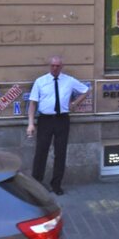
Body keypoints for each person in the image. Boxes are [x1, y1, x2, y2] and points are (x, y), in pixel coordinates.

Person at [26, 55, 90, 195]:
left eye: (57, 66)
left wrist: (75, 103)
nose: (55, 68)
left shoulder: (69, 80)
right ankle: (37, 184)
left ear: (61, 67)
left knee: (60, 153)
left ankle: (56, 185)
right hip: (45, 120)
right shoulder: (41, 81)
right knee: (41, 152)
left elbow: (86, 90)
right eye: (53, 66)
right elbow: (32, 103)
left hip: (62, 119)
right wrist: (31, 124)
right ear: (49, 66)